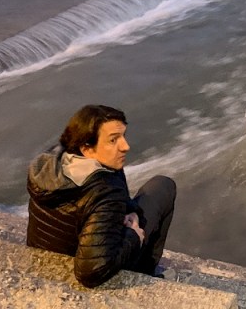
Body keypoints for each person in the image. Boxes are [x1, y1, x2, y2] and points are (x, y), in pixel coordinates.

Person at [26, 104, 177, 287]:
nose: (125, 146)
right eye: (113, 140)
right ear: (87, 148)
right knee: (163, 187)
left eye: (123, 136)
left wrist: (131, 211)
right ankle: (145, 272)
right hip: (91, 260)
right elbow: (91, 272)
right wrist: (133, 235)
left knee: (118, 172)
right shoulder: (104, 193)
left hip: (45, 255)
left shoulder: (48, 165)